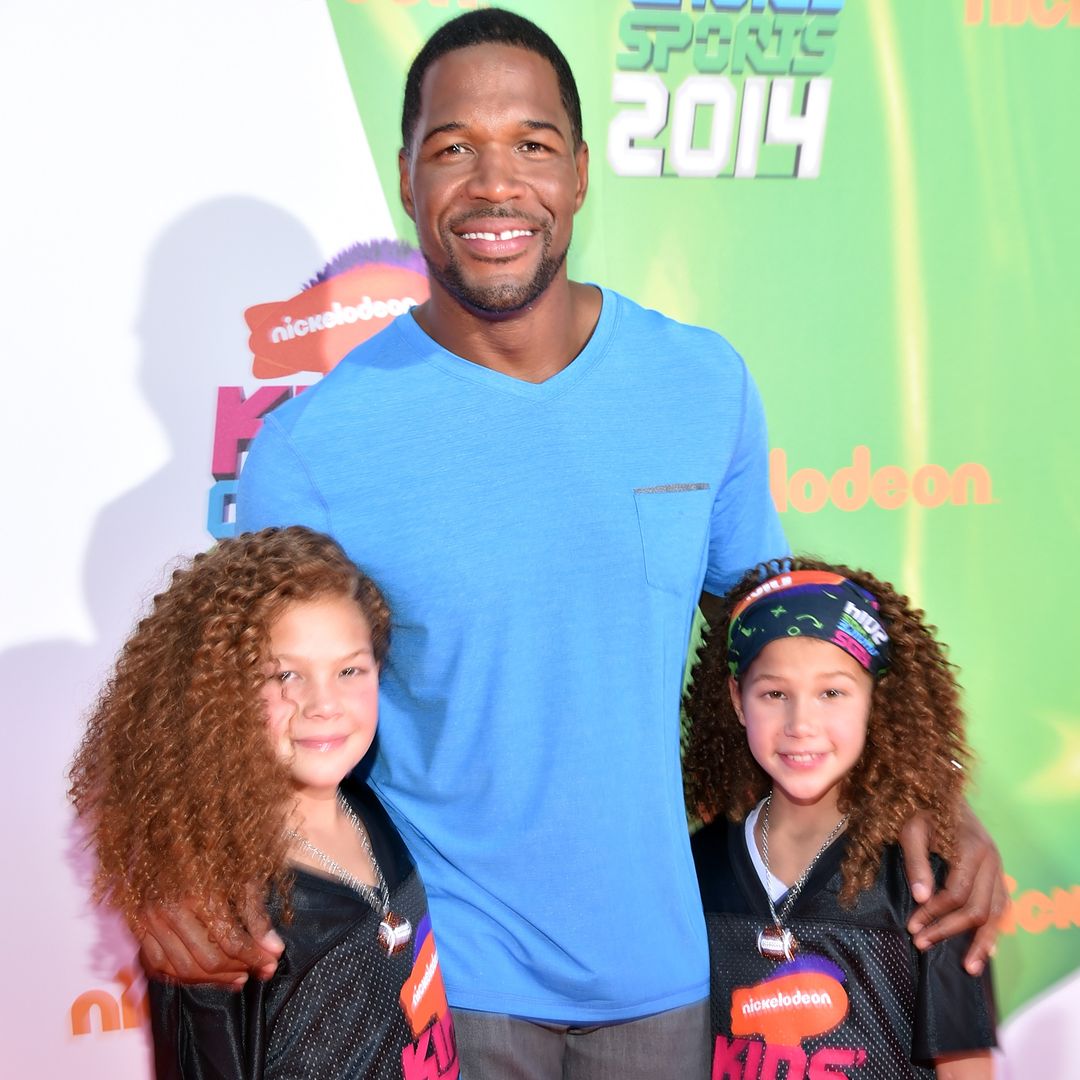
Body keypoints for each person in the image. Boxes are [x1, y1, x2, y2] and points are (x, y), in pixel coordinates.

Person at [136, 10, 1004, 1078]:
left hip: (671, 978)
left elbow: (788, 633)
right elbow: (229, 711)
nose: (496, 185)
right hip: (445, 991)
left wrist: (929, 786)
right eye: (454, 148)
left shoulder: (700, 383)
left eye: (532, 145)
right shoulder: (316, 446)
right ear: (405, 178)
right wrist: (171, 862)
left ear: (582, 173)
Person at [69, 527, 459, 1079]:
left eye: (349, 670)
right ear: (217, 693)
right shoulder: (222, 911)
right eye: (284, 675)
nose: (323, 704)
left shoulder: (374, 812)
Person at [684, 558, 997, 1079]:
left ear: (876, 699)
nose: (801, 724)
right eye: (774, 693)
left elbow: (965, 1066)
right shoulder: (696, 864)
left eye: (832, 692)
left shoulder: (929, 875)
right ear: (738, 701)